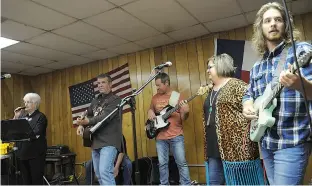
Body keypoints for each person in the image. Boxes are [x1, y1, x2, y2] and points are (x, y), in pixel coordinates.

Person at [242, 2, 312, 185]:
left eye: (278, 19)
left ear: (286, 25)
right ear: (261, 28)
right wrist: (247, 105)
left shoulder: (301, 51)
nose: (273, 23)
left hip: (292, 139)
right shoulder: (257, 66)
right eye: (267, 20)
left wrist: (300, 85)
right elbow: (248, 94)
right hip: (266, 141)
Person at [202, 54, 259, 185]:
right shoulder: (211, 91)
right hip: (213, 149)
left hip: (236, 151)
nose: (207, 70)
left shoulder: (238, 86)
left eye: (209, 67)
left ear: (220, 66)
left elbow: (252, 107)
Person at [76, 73, 122, 185]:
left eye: (103, 82)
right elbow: (88, 114)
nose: (100, 85)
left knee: (105, 173)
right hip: (95, 142)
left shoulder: (116, 100)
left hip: (109, 142)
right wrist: (81, 125)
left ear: (110, 84)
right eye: (98, 83)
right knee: (99, 175)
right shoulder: (95, 100)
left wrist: (87, 121)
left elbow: (104, 118)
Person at [147, 72, 191, 185]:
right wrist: (150, 112)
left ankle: (186, 184)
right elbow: (150, 109)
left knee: (181, 162)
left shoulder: (177, 96)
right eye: (156, 85)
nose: (157, 88)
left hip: (176, 135)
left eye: (158, 85)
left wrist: (185, 112)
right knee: (162, 164)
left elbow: (183, 117)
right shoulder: (155, 97)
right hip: (160, 136)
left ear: (166, 83)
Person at [13, 93, 48, 185]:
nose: (25, 104)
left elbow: (36, 133)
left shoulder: (40, 117)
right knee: (26, 181)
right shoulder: (22, 117)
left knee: (36, 181)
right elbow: (13, 130)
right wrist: (16, 117)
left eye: (28, 102)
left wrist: (23, 133)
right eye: (25, 102)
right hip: (23, 154)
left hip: (35, 155)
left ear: (35, 104)